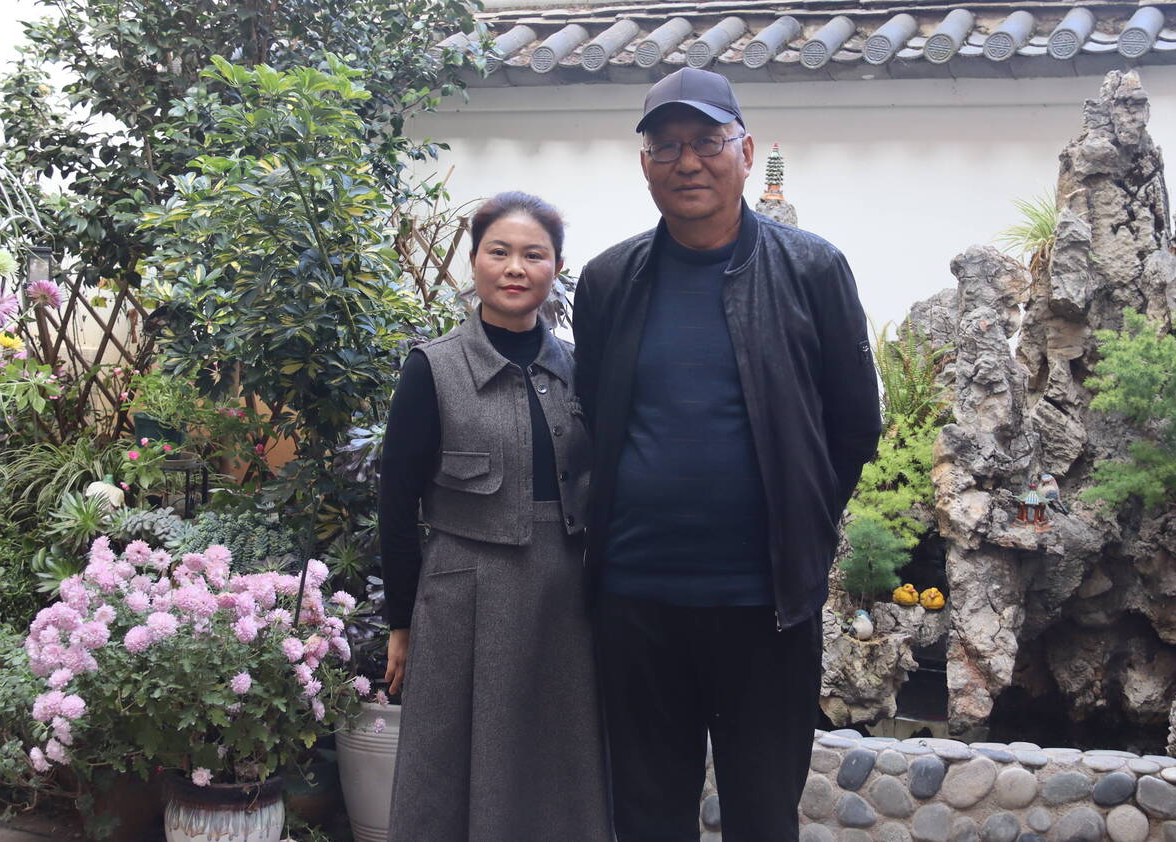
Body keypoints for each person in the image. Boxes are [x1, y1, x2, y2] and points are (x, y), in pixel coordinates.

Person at [573, 68, 883, 842]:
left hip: (763, 604)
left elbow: (853, 424)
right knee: (646, 815)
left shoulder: (812, 270)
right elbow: (594, 419)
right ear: (645, 164)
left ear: (744, 152)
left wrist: (801, 523)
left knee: (763, 814)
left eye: (707, 142)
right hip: (636, 599)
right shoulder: (609, 281)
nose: (687, 162)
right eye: (666, 146)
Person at [378, 191, 611, 841]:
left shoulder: (579, 368)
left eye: (534, 255)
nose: (515, 268)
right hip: (463, 600)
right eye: (499, 251)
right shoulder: (433, 369)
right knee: (452, 766)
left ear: (555, 268)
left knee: (561, 765)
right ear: (475, 261)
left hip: (566, 597)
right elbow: (396, 505)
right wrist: (401, 623)